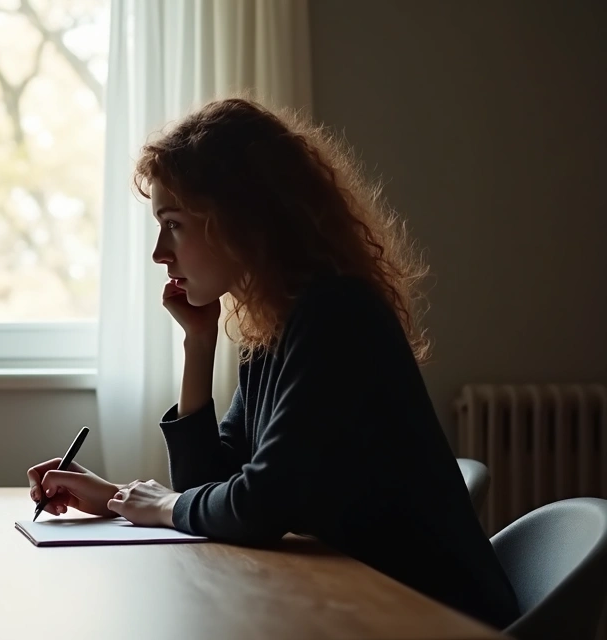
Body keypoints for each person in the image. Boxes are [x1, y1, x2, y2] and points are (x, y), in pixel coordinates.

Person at [26, 98, 520, 629]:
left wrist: (162, 506)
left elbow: (259, 505)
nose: (158, 253)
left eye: (173, 225)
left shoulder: (336, 314)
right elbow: (213, 483)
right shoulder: (278, 324)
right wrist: (199, 340)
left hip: (429, 617)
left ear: (240, 220)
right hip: (363, 605)